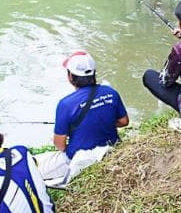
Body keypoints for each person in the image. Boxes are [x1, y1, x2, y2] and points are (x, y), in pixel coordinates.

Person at [34, 52, 129, 186]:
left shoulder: (65, 104)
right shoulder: (110, 92)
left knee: (35, 169)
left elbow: (59, 144)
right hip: (111, 146)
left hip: (79, 156)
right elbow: (124, 121)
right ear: (93, 74)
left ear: (71, 77)